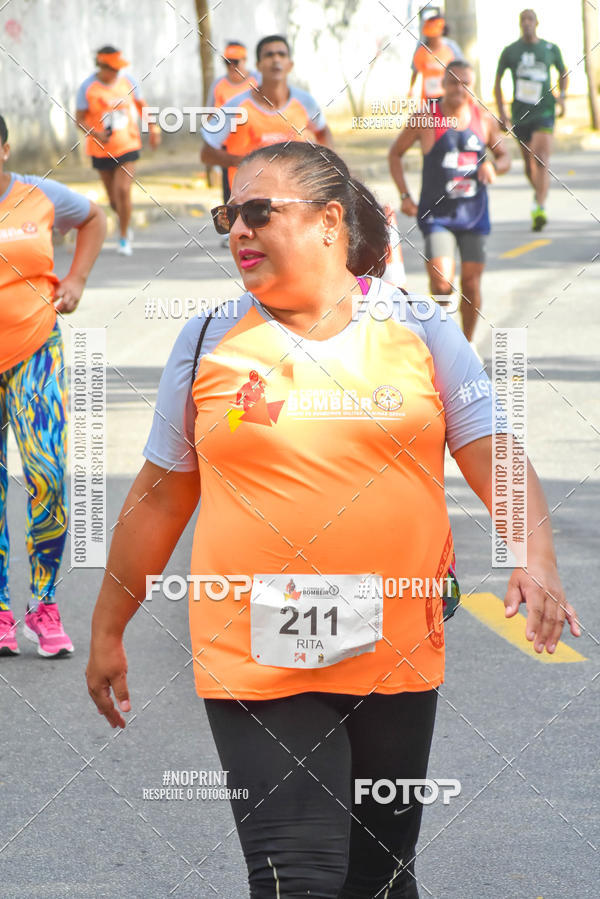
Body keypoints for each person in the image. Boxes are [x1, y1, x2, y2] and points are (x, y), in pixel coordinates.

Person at [86, 140, 579, 897]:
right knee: (298, 872)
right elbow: (159, 496)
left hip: (395, 640)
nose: (238, 230)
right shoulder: (207, 340)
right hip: (251, 642)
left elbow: (491, 452)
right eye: (228, 215)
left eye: (258, 211)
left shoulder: (419, 327)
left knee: (377, 876)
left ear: (328, 221)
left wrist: (536, 556)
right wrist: (109, 626)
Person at [0, 114, 106, 657]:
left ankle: (44, 603)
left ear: (5, 149)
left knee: (48, 478)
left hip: (35, 353)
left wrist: (77, 278)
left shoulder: (40, 196)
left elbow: (93, 218)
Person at [389, 60, 511, 343]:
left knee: (470, 282)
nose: (460, 88)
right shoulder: (426, 119)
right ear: (442, 85)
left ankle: (466, 345)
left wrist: (494, 166)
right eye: (454, 82)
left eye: (466, 83)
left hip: (474, 214)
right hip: (438, 216)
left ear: (473, 86)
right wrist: (405, 196)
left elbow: (505, 157)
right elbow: (395, 153)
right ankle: (444, 343)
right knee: (442, 283)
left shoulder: (484, 119)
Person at [200, 34, 333, 194]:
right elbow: (207, 152)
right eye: (269, 55)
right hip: (249, 200)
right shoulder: (234, 104)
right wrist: (244, 162)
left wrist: (325, 168)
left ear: (290, 65)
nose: (276, 59)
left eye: (281, 54)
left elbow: (323, 131)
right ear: (259, 65)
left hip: (293, 196)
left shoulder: (305, 102)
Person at [75, 45, 160, 256]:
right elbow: (79, 119)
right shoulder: (88, 88)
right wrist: (96, 133)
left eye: (118, 68)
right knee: (114, 199)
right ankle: (125, 222)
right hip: (101, 149)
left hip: (127, 145)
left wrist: (153, 127)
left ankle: (123, 237)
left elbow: (141, 105)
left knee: (123, 190)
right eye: (112, 69)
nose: (116, 73)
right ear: (101, 66)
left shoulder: (128, 82)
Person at [494, 9, 567, 231]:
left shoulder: (549, 49)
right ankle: (538, 195)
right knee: (529, 164)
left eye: (530, 20)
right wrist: (502, 112)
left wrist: (562, 96)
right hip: (520, 114)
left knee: (542, 158)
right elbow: (497, 82)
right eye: (523, 20)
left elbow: (563, 73)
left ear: (537, 23)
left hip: (545, 111)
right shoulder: (510, 51)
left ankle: (540, 206)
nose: (526, 23)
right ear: (519, 24)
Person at [206, 41, 259, 206]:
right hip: (228, 149)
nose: (231, 66)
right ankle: (232, 229)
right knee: (231, 195)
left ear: (245, 60)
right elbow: (211, 118)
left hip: (255, 146)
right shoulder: (219, 85)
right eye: (227, 62)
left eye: (235, 62)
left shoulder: (258, 81)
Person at [409, 16, 457, 103]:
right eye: (430, 37)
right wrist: (411, 88)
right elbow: (415, 70)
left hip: (446, 95)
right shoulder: (421, 50)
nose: (432, 39)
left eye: (434, 36)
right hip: (428, 97)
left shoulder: (451, 48)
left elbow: (459, 70)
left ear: (442, 32)